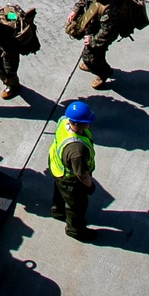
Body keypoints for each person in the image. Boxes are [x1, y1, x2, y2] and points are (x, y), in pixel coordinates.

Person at [49, 101, 98, 242]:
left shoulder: (64, 121)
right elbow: (81, 174)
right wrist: (89, 185)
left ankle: (57, 212)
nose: (89, 124)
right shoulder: (77, 150)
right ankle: (75, 230)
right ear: (77, 123)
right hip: (71, 180)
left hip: (58, 170)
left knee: (59, 192)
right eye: (86, 121)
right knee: (76, 205)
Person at [67, 0, 120, 89]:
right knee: (89, 54)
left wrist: (92, 40)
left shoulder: (109, 7)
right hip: (92, 28)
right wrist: (75, 10)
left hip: (100, 36)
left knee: (91, 57)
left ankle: (104, 72)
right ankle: (91, 64)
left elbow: (107, 32)